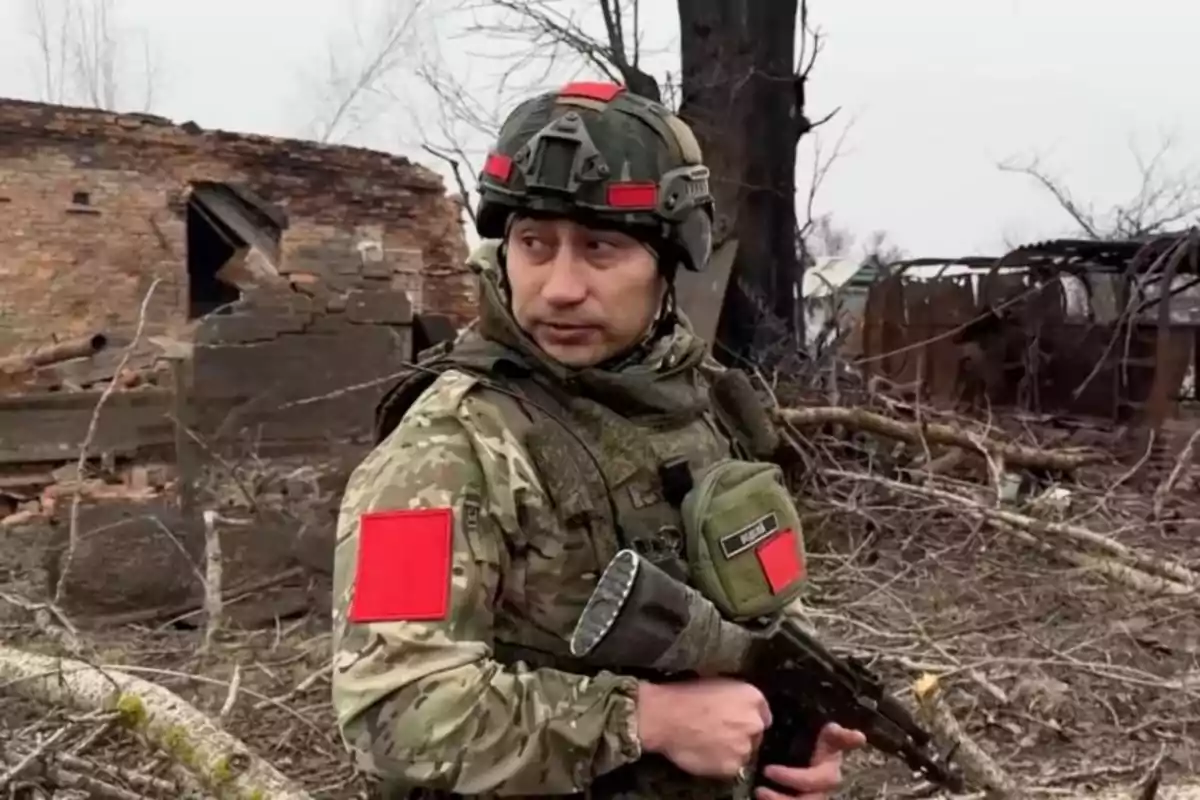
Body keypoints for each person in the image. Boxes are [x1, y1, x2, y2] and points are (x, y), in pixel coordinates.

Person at [330, 80, 865, 799]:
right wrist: (644, 720)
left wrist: (789, 736)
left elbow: (759, 614)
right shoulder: (448, 449)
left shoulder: (708, 405)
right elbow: (391, 711)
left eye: (600, 248)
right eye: (533, 244)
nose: (559, 286)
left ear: (668, 262)